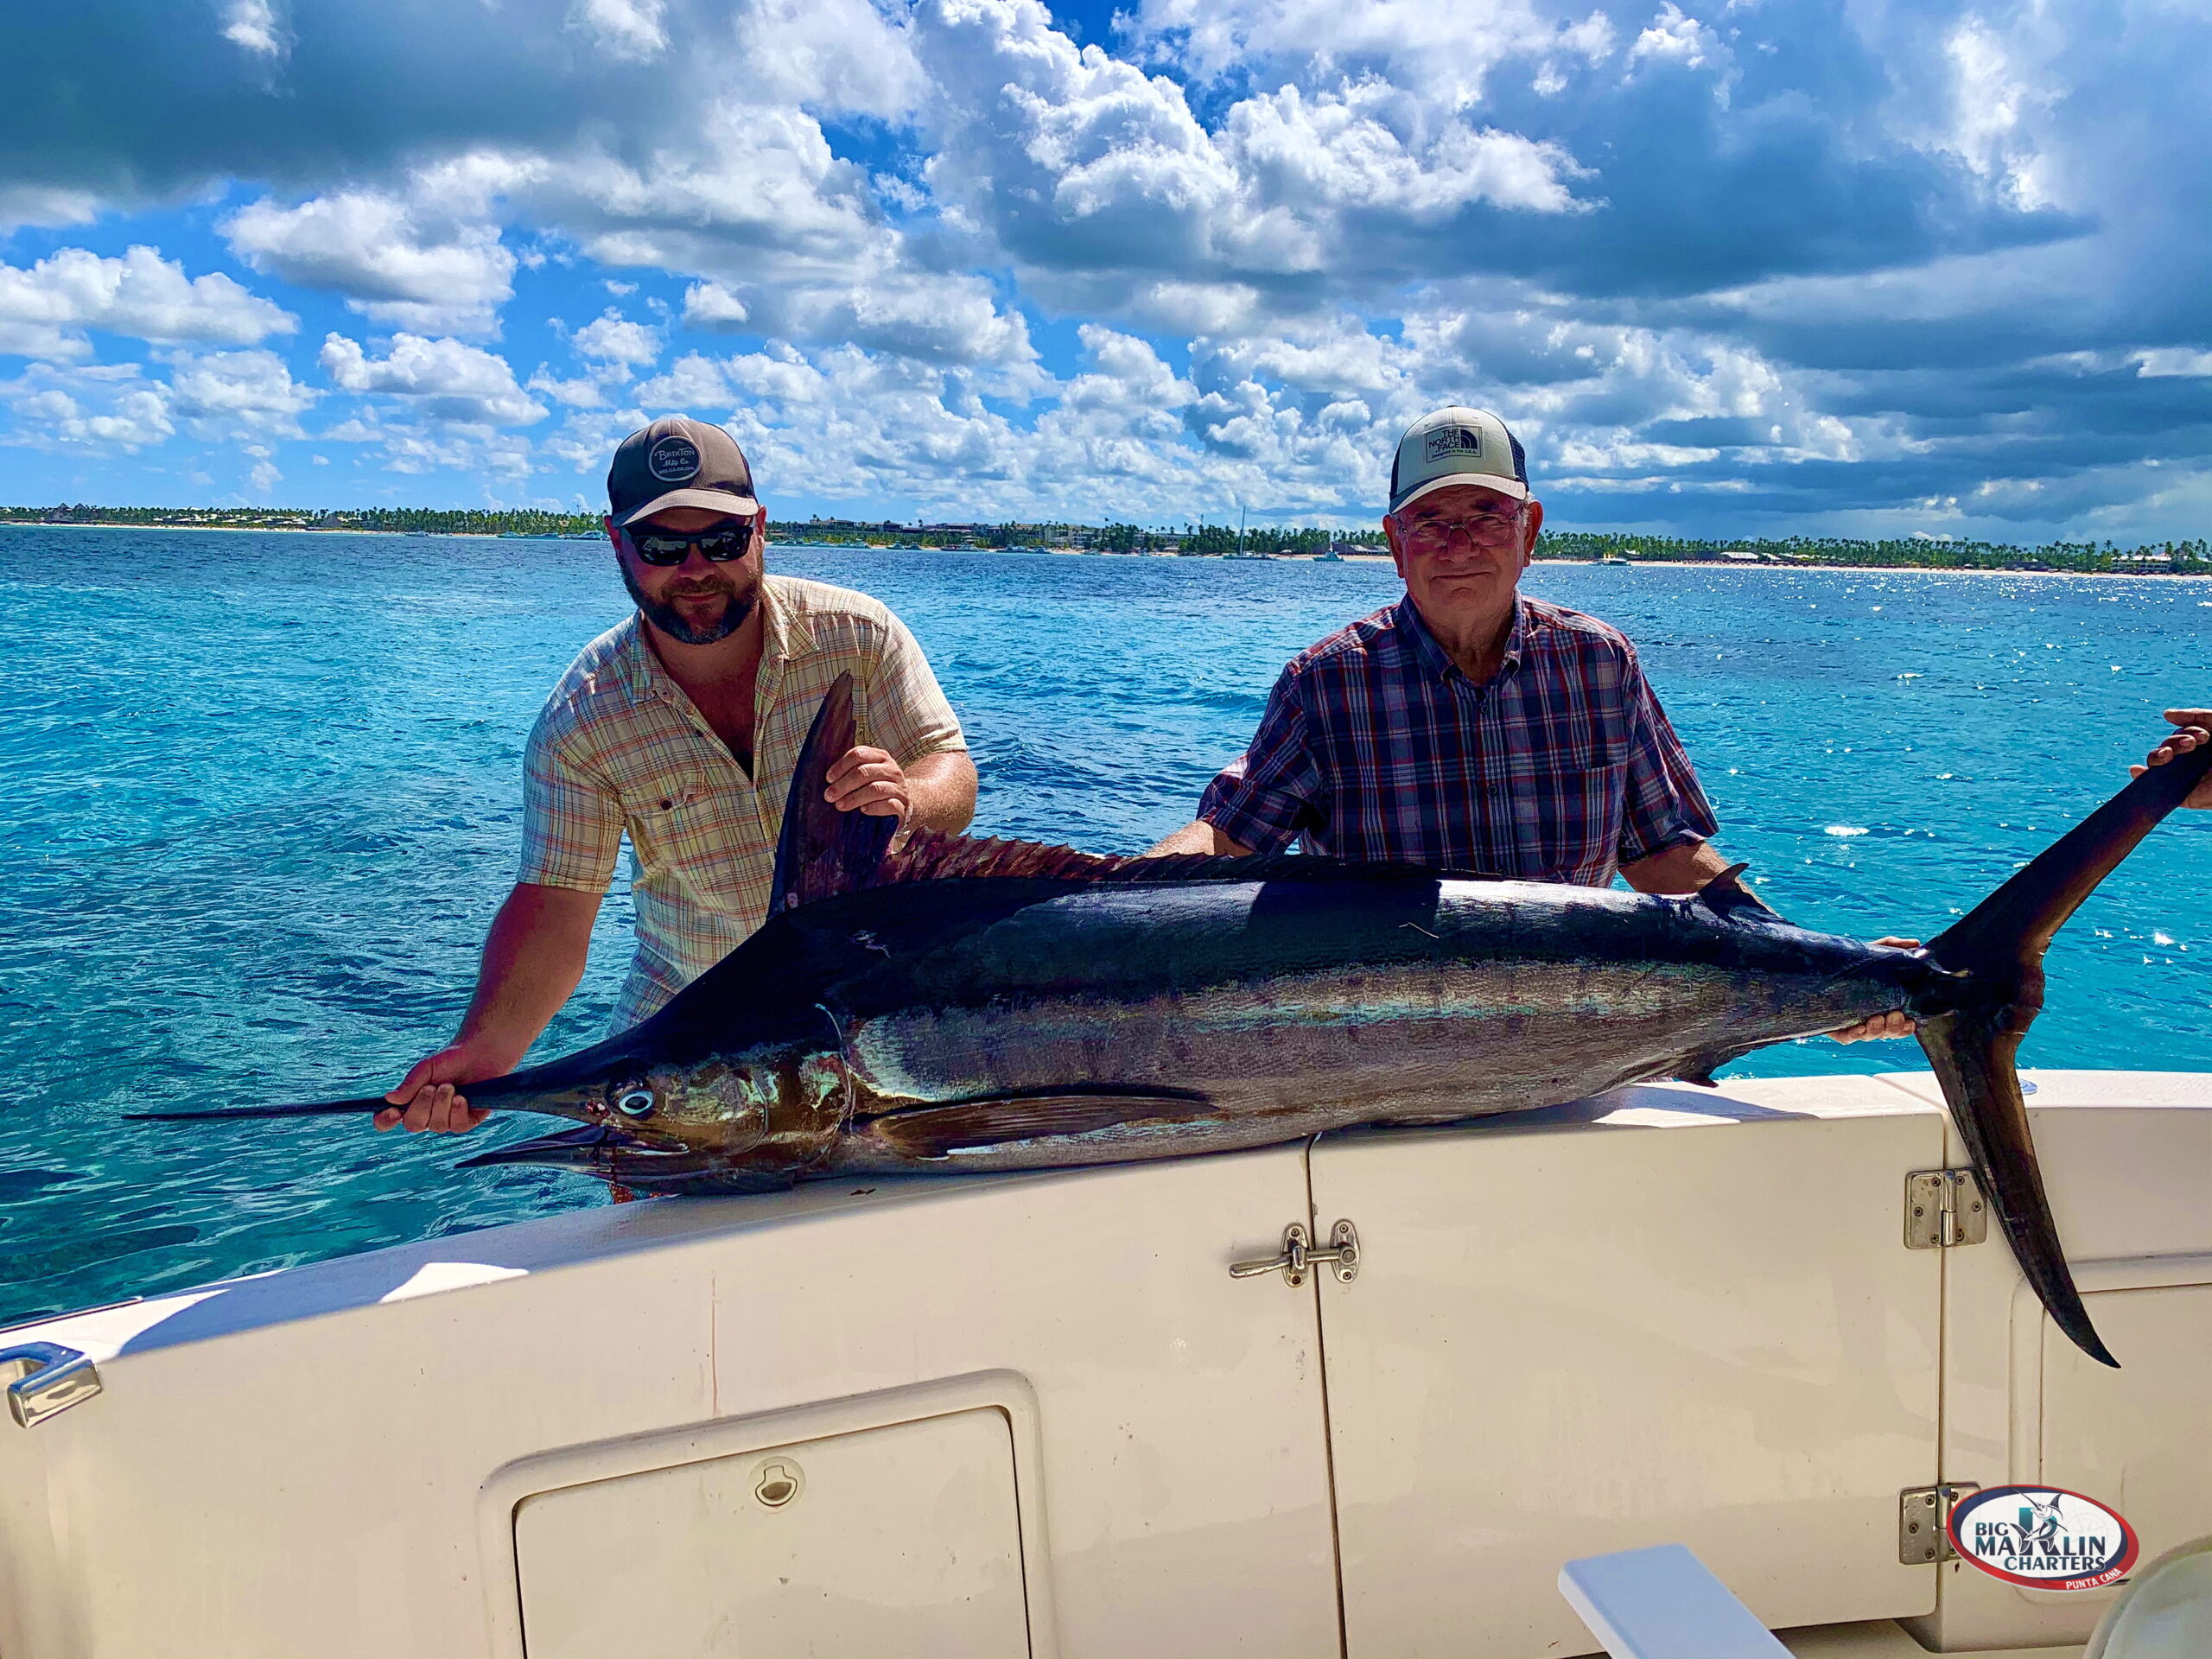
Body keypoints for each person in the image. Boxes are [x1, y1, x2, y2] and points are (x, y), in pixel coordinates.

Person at [1146, 405, 1913, 1042]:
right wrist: (1092, 896)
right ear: (1394, 544)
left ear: (1530, 529)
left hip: (1572, 1055)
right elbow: (1228, 839)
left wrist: (1832, 971)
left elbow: (1663, 856)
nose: (1458, 544)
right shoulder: (1325, 682)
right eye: (1431, 521)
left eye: (1486, 516)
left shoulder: (1599, 665)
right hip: (1386, 1057)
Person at [380, 416, 977, 1134]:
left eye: (720, 541)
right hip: (682, 1041)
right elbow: (556, 904)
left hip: (878, 1020)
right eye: (662, 545)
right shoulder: (583, 719)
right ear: (617, 543)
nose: (695, 569)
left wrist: (910, 796)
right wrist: (488, 1049)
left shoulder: (861, 636)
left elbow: (954, 776)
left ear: (760, 529)